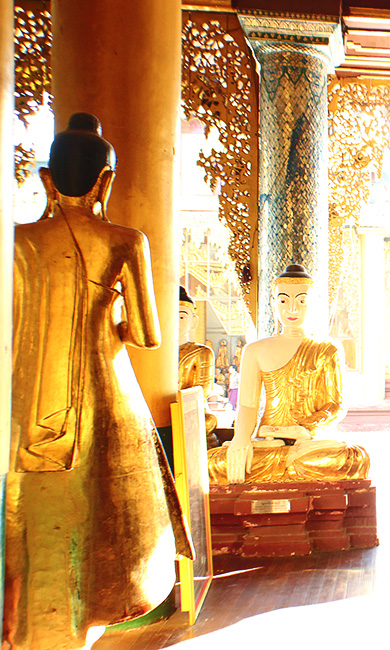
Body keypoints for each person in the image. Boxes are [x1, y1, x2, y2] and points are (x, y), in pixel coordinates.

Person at [5, 113, 191, 650]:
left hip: (21, 408)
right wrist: (109, 317)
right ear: (106, 182)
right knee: (95, 535)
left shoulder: (15, 241)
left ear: (46, 179)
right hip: (100, 397)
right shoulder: (124, 240)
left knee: (33, 534)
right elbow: (149, 334)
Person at [207, 264, 370, 484]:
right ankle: (288, 469)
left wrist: (305, 429)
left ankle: (289, 467)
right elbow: (247, 405)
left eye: (302, 301)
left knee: (354, 458)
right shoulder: (255, 349)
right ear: (273, 304)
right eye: (283, 301)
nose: (292, 309)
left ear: (312, 305)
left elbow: (335, 405)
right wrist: (241, 439)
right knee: (213, 464)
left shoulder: (327, 349)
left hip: (307, 444)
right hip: (268, 442)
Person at [178, 285, 218, 435]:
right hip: (157, 409)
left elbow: (204, 390)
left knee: (207, 421)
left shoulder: (202, 352)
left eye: (181, 317)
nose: (176, 322)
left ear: (193, 322)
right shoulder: (154, 354)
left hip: (188, 409)